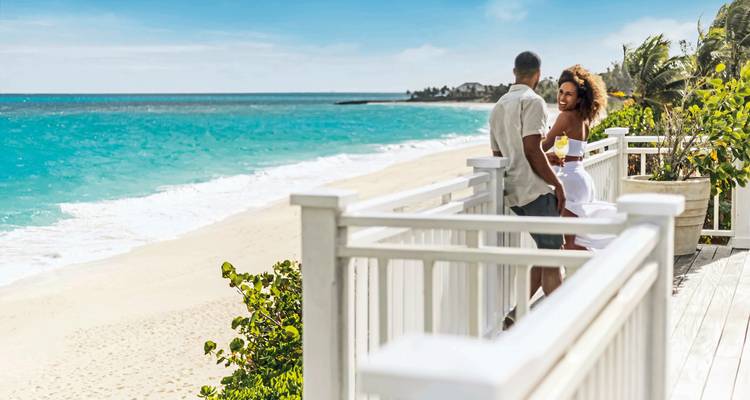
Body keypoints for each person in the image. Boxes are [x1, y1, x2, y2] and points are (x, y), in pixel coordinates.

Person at [490, 51, 565, 301]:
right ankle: (562, 321)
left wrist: (547, 156)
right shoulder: (533, 101)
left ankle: (516, 315)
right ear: (538, 75)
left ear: (514, 72)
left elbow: (500, 154)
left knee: (547, 251)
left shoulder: (498, 107)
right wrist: (557, 184)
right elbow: (531, 149)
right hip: (535, 189)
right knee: (554, 255)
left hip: (513, 192)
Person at [541, 65, 610, 250]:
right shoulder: (584, 118)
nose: (562, 98)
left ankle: (597, 271)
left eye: (569, 94)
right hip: (581, 179)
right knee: (577, 241)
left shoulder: (565, 117)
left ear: (579, 98)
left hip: (568, 181)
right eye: (561, 91)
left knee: (570, 245)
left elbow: (541, 147)